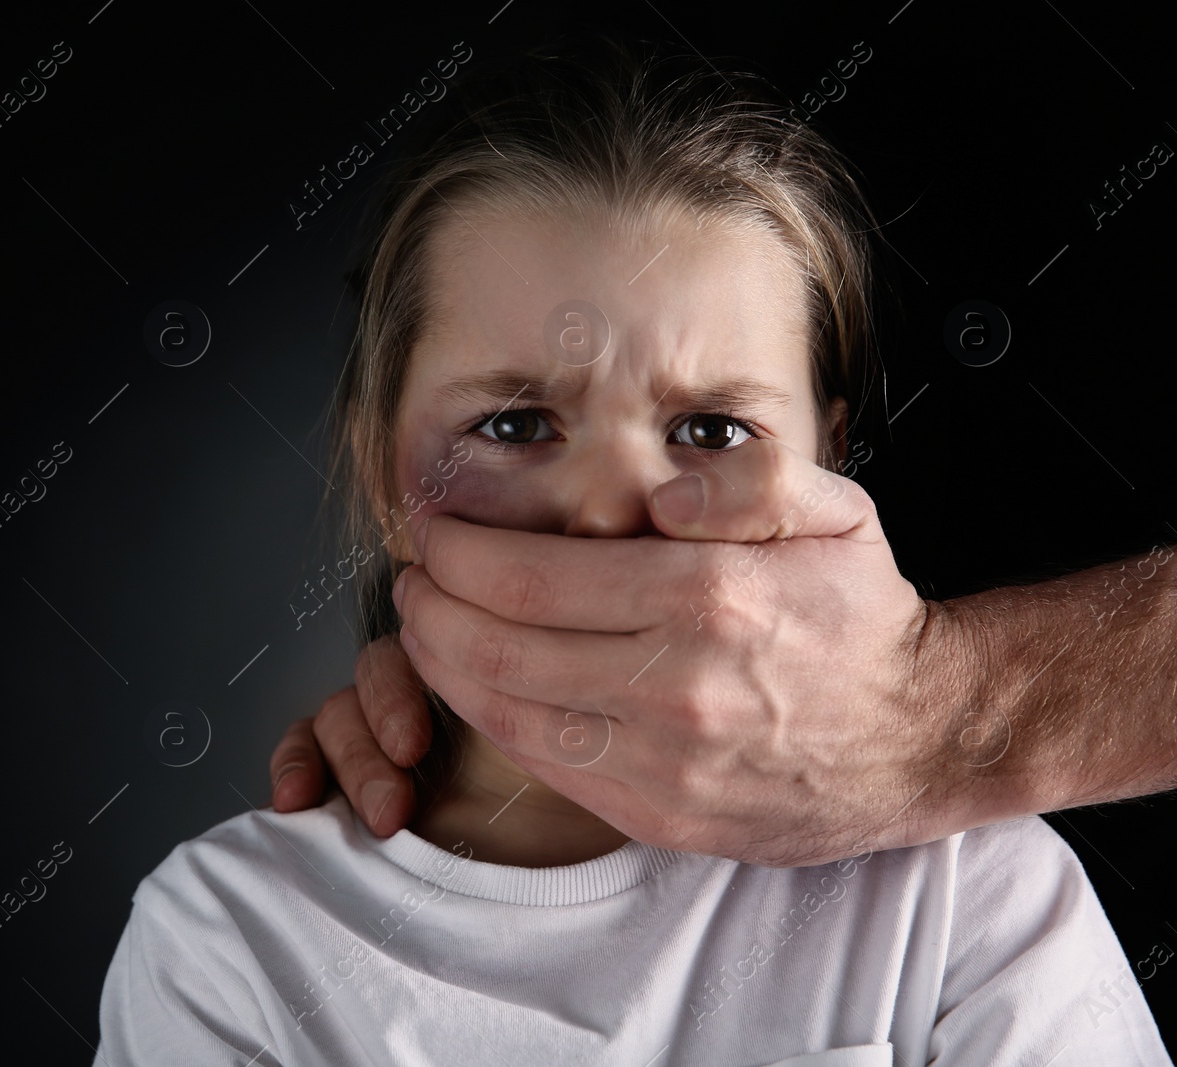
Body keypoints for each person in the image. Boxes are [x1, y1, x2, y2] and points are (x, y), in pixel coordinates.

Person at [95, 34, 1170, 1064]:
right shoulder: (228, 938)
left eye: (711, 430)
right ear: (386, 476)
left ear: (828, 473)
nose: (609, 518)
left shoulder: (959, 894)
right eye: (513, 425)